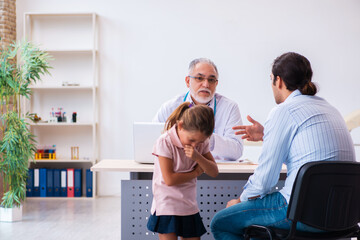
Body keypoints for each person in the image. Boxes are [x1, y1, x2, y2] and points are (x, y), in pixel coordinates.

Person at [210, 52, 356, 239]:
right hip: (343, 216)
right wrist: (267, 135)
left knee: (222, 222)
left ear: (278, 81)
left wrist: (241, 200)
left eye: (271, 79)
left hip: (301, 214)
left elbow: (265, 181)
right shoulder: (331, 109)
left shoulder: (284, 110)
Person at [147, 102, 219, 240]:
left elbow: (214, 171)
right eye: (191, 140)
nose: (194, 145)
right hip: (166, 205)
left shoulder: (200, 143)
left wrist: (198, 157)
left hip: (188, 204)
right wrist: (196, 173)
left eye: (199, 143)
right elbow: (170, 179)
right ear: (180, 126)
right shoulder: (165, 142)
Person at [153, 58, 243, 161]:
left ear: (216, 83)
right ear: (188, 81)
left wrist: (205, 137)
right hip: (179, 168)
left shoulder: (229, 108)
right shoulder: (170, 107)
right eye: (199, 78)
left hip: (216, 171)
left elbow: (236, 150)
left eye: (211, 80)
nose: (206, 84)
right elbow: (153, 143)